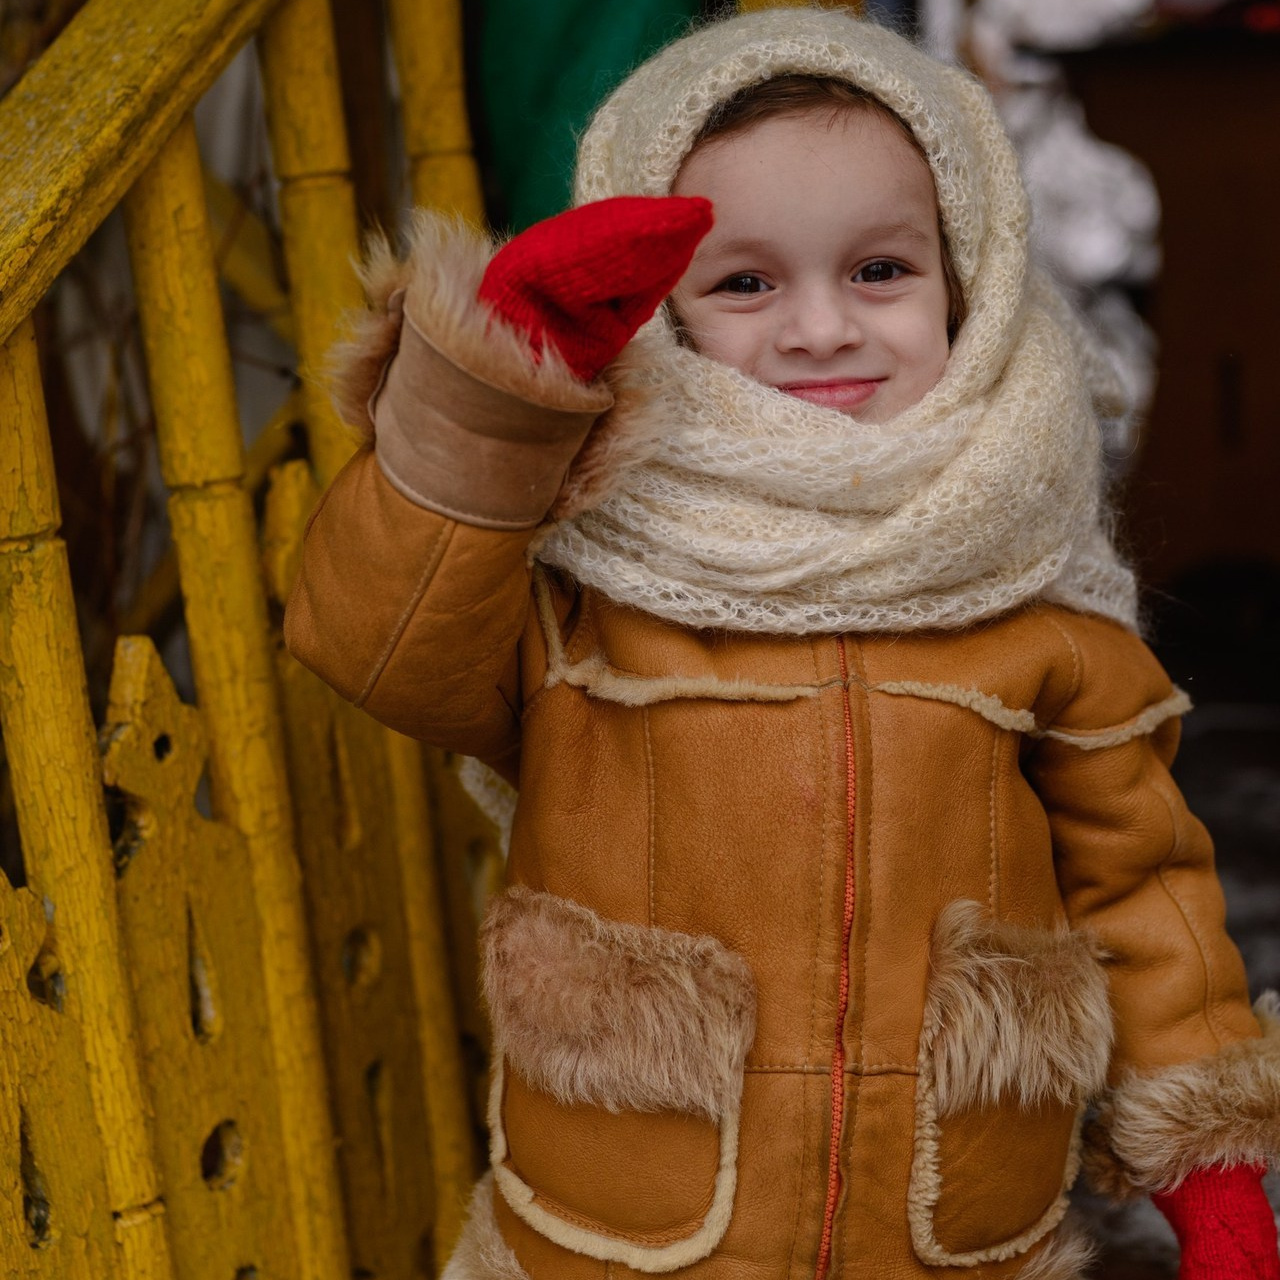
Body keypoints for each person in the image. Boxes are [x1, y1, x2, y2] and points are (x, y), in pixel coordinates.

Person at [285, 9, 1280, 1279]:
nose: (821, 329)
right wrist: (499, 396)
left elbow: (1142, 892)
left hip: (947, 1229)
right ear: (667, 320)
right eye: (744, 281)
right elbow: (372, 637)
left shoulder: (1039, 608)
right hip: (627, 1238)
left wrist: (1214, 1178)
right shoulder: (581, 581)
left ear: (965, 277)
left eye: (878, 269)